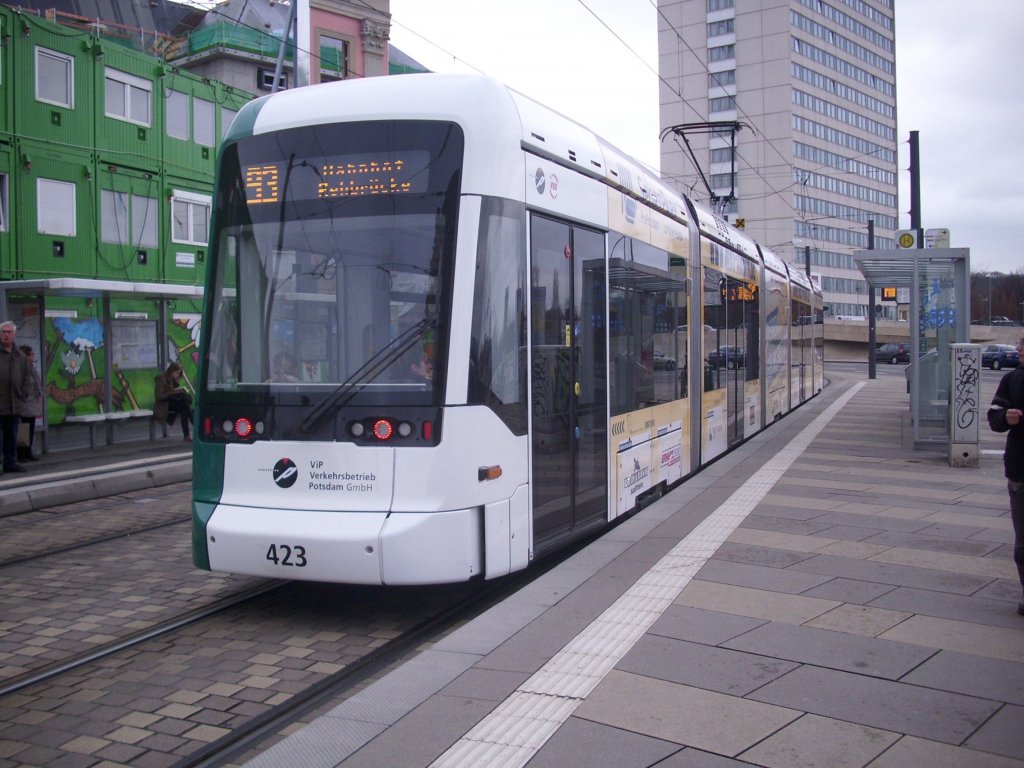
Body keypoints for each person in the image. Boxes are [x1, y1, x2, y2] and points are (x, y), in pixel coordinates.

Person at [987, 330, 1024, 616]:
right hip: (1020, 473)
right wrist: (1004, 418)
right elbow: (994, 417)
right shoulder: (1012, 379)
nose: (1020, 347)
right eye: (1021, 342)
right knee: (1022, 543)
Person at [0, 321, 31, 473]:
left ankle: (10, 462)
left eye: (8, 332)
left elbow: (27, 377)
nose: (6, 335)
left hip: (14, 403)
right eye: (3, 332)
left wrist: (23, 394)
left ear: (14, 334)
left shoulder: (20, 356)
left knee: (10, 435)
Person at [155, 362, 193, 442]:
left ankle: (187, 435)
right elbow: (159, 396)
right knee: (185, 405)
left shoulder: (172, 380)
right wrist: (176, 391)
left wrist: (177, 381)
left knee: (184, 409)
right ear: (171, 371)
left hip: (172, 402)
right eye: (176, 373)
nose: (177, 375)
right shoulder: (162, 379)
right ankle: (194, 423)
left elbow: (173, 392)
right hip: (164, 405)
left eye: (179, 373)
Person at [17, 345, 42, 461]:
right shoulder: (20, 368)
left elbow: (37, 383)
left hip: (32, 402)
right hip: (24, 403)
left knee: (30, 428)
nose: (33, 356)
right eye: (31, 354)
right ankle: (21, 454)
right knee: (23, 429)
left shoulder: (31, 368)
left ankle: (28, 452)